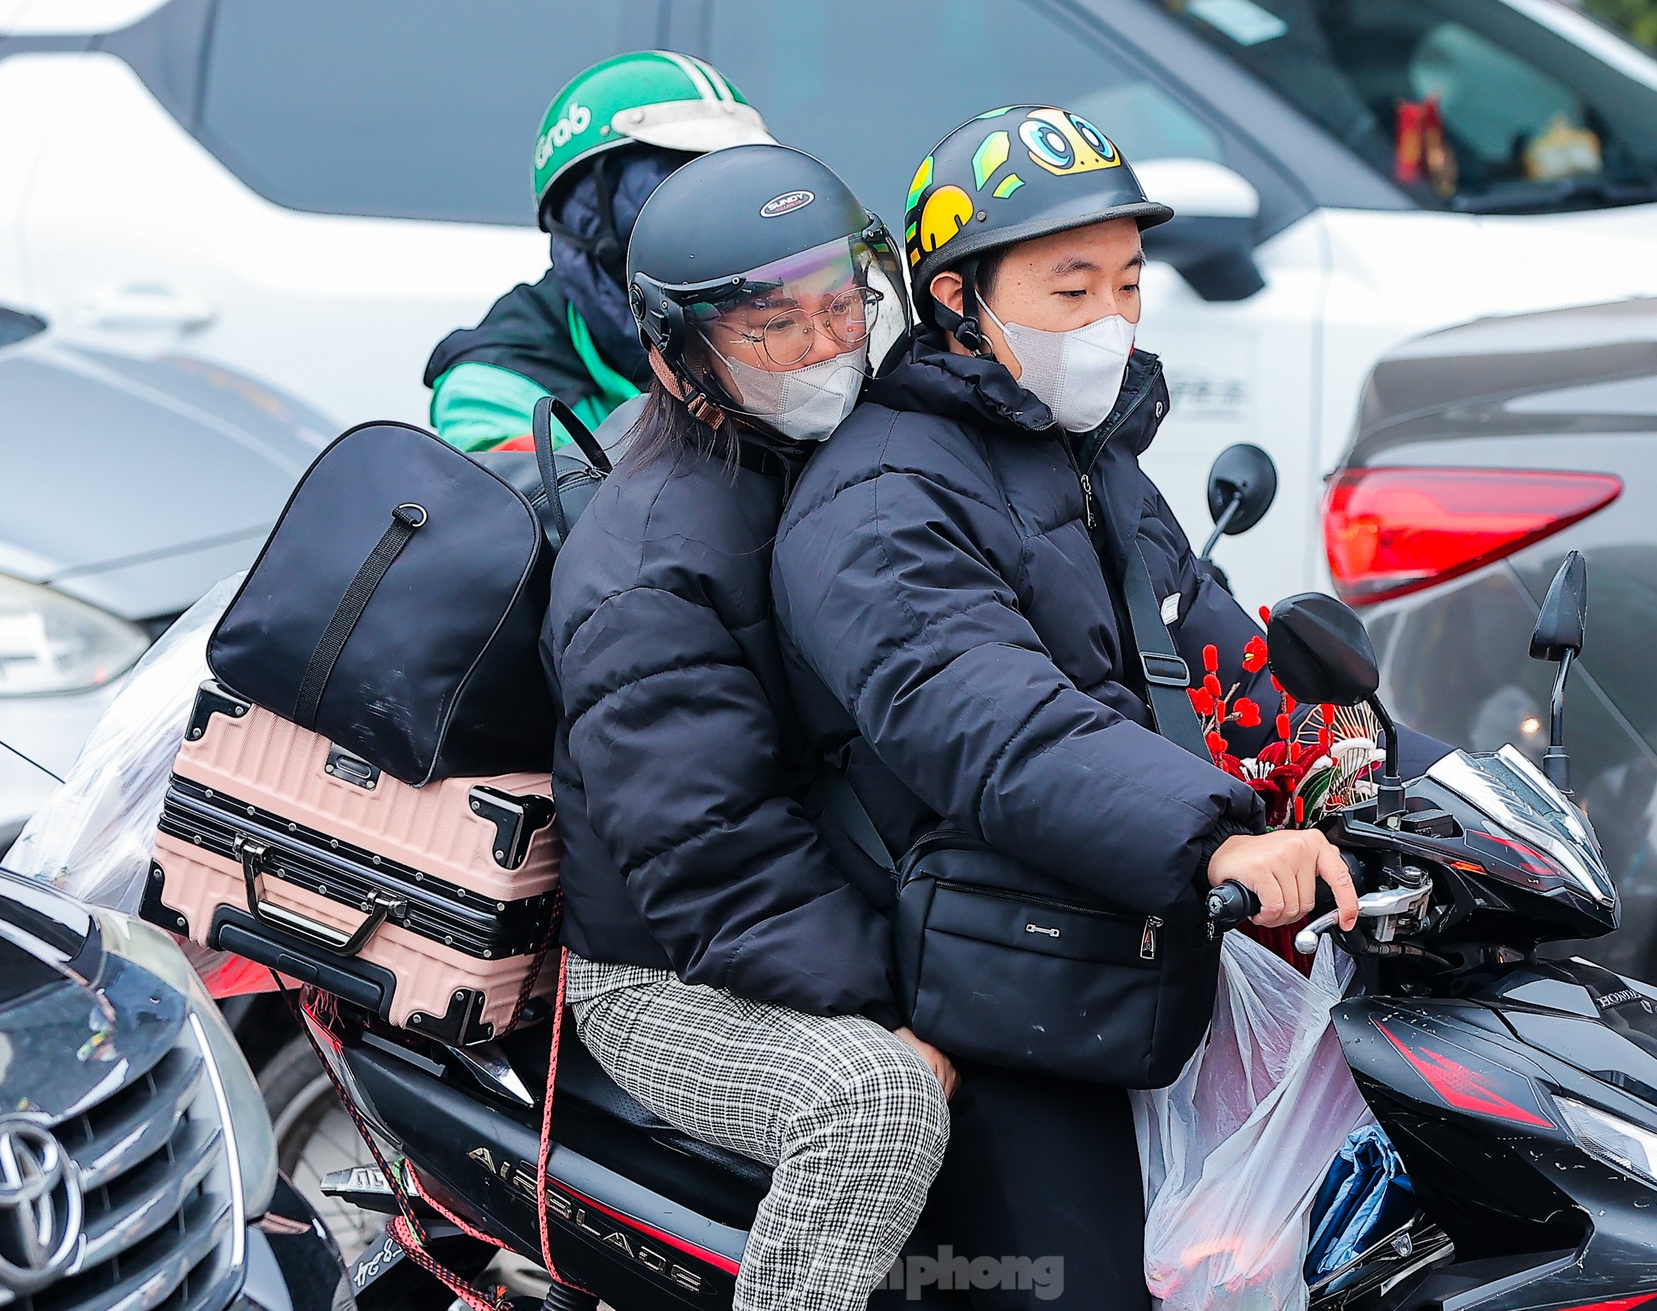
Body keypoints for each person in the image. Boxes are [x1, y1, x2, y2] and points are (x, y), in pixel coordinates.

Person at [771, 107, 1370, 1310]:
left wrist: (1376, 772)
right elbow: (996, 726)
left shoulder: (1088, 457)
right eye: (1070, 284)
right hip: (1000, 980)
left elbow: (1219, 655)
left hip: (1125, 939)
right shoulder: (881, 501)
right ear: (955, 298)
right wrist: (1222, 838)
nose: (1111, 315)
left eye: (1129, 281)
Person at [540, 142, 951, 1311]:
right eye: (775, 328)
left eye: (843, 308)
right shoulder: (648, 568)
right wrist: (893, 1005)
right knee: (872, 1100)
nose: (829, 348)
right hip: (664, 972)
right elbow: (706, 847)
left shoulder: (846, 456)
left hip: (832, 894)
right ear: (678, 360)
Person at [424, 51, 774, 452]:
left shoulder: (809, 317)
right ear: (586, 210)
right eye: (679, 176)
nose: (723, 219)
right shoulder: (498, 387)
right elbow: (544, 508)